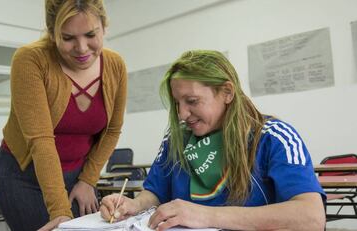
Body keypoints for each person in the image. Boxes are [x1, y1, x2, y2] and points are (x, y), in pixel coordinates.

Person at [100, 50, 326, 230]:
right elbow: (157, 191)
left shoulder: (272, 137)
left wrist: (207, 215)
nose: (182, 114)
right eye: (177, 103)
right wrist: (133, 205)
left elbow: (311, 217)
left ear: (227, 92)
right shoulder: (176, 138)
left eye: (192, 101)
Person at [0, 0, 127, 230]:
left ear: (104, 27)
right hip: (25, 176)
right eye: (68, 38)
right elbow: (40, 139)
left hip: (79, 174)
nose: (82, 48)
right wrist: (60, 212)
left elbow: (112, 130)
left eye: (90, 34)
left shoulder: (115, 65)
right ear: (53, 33)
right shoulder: (31, 60)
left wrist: (87, 180)